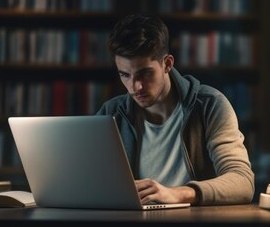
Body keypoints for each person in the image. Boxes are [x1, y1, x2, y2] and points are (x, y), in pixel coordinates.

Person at [96, 14, 254, 206]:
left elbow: (242, 182)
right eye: (125, 75)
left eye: (144, 73)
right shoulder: (111, 113)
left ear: (168, 64)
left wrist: (179, 194)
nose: (135, 87)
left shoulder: (210, 105)